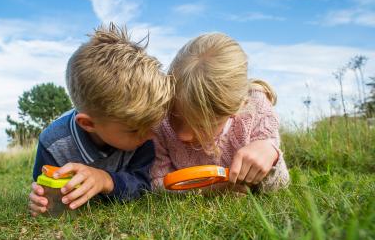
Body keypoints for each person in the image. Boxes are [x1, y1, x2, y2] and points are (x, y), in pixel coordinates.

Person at [29, 24, 172, 216]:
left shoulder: (143, 134)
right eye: (134, 130)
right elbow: (44, 189)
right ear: (88, 124)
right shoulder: (53, 144)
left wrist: (106, 180)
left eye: (151, 125)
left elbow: (143, 186)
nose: (150, 135)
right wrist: (42, 200)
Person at [151, 33, 289, 194]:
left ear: (234, 111)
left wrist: (269, 152)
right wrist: (213, 189)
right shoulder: (158, 118)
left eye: (202, 126)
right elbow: (157, 184)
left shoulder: (255, 108)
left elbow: (279, 184)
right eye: (175, 116)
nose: (183, 135)